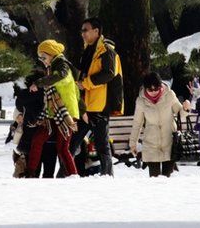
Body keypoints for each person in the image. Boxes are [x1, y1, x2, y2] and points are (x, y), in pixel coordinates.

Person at [73, 17, 124, 176]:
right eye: (82, 30)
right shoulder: (88, 50)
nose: (83, 33)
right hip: (85, 106)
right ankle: (66, 175)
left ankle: (107, 176)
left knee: (102, 145)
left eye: (85, 30)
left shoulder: (107, 51)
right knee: (72, 144)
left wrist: (85, 83)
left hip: (100, 106)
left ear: (96, 31)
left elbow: (108, 74)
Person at [27, 40, 82, 177]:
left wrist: (39, 83)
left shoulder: (62, 66)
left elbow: (60, 77)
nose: (43, 61)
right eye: (40, 58)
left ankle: (73, 175)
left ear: (52, 54)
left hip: (66, 114)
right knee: (38, 139)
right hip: (52, 113)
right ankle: (30, 173)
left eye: (44, 57)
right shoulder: (53, 67)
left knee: (62, 148)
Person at [129, 72, 185, 177]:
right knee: (154, 180)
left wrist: (186, 108)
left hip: (169, 142)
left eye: (157, 89)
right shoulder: (141, 101)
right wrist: (133, 143)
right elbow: (137, 123)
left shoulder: (169, 95)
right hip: (151, 143)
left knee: (167, 179)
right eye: (150, 90)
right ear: (145, 88)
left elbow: (180, 112)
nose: (154, 92)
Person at [10, 72, 58, 178]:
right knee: (49, 173)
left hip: (29, 139)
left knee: (33, 172)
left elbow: (18, 106)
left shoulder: (23, 96)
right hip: (50, 138)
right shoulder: (50, 94)